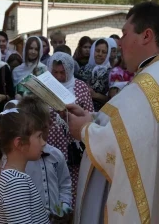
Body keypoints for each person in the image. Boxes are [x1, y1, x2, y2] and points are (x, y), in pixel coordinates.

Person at [69, 2, 159, 224]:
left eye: (124, 33)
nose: (119, 43)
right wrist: (93, 119)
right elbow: (142, 134)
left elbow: (125, 145)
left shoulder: (152, 84)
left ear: (146, 36)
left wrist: (83, 130)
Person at [47, 52, 94, 207]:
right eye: (55, 72)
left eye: (63, 72)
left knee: (72, 181)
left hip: (72, 145)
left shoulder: (80, 87)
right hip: (50, 142)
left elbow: (89, 114)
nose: (59, 77)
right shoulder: (46, 87)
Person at [16, 96, 72, 220]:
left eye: (45, 129)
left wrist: (64, 207)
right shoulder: (18, 161)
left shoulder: (56, 155)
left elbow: (65, 185)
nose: (43, 135)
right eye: (38, 133)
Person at [0, 107, 50, 223]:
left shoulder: (15, 178)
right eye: (39, 136)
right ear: (19, 144)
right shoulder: (14, 182)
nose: (43, 143)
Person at [78, 38, 111, 111]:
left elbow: (112, 99)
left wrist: (95, 95)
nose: (100, 54)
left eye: (104, 52)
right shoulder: (83, 70)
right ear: (93, 51)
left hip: (100, 112)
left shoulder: (111, 73)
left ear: (108, 54)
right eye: (97, 51)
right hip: (81, 110)